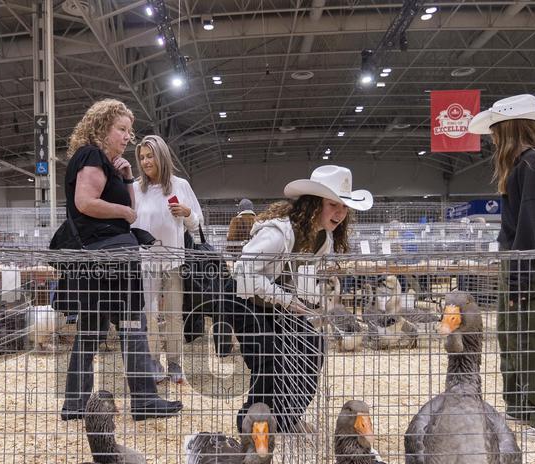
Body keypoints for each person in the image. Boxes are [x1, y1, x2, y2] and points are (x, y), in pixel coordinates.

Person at [58, 99, 183, 421]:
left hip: (99, 258)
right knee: (132, 325)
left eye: (129, 130)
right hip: (111, 257)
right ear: (102, 127)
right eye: (121, 129)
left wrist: (126, 178)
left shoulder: (104, 162)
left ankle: (74, 404)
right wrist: (124, 212)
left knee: (91, 331)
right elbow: (86, 202)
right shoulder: (91, 155)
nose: (128, 136)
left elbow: (128, 210)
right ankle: (144, 400)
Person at [468, 93, 535, 440]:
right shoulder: (531, 163)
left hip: (524, 261)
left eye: (496, 130)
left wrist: (518, 279)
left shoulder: (531, 163)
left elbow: (530, 223)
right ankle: (524, 408)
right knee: (513, 334)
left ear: (508, 128)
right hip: (522, 260)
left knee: (532, 338)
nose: (492, 139)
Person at [232, 165, 369, 434]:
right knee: (269, 361)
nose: (340, 213)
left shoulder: (323, 239)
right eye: (333, 204)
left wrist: (309, 304)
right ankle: (251, 425)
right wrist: (285, 298)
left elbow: (302, 278)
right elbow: (242, 271)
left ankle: (287, 419)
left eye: (344, 206)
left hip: (281, 308)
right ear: (314, 204)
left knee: (313, 348)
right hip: (249, 305)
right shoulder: (277, 233)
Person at [132, 134, 201, 384]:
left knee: (173, 312)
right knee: (148, 311)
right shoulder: (136, 189)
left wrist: (187, 212)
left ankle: (174, 363)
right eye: (142, 157)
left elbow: (197, 223)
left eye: (150, 156)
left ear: (161, 156)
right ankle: (153, 362)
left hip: (173, 261)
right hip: (146, 262)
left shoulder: (180, 185)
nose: (146, 161)